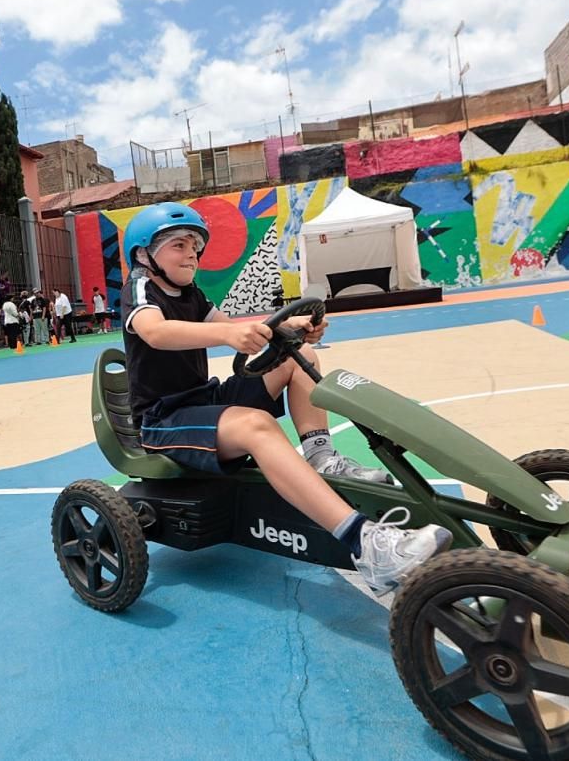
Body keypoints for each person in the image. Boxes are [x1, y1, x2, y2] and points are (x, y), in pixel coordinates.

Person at [121, 203, 451, 593]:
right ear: (145, 254)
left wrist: (286, 327)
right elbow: (155, 332)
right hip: (165, 418)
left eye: (195, 244)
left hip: (204, 401)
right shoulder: (140, 288)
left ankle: (321, 457)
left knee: (300, 357)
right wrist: (227, 336)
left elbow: (237, 328)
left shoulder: (191, 293)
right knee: (256, 426)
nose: (191, 252)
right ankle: (366, 547)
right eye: (179, 244)